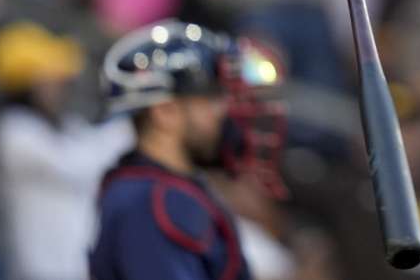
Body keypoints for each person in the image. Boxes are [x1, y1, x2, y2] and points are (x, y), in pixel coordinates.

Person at [89, 21, 286, 280]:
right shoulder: (154, 202)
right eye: (209, 99)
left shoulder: (157, 190)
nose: (222, 111)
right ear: (165, 112)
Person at [0, 22, 133, 280]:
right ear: (26, 83)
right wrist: (129, 121)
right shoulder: (14, 131)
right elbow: (79, 167)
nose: (60, 87)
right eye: (50, 81)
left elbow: (95, 146)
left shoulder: (66, 126)